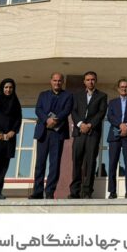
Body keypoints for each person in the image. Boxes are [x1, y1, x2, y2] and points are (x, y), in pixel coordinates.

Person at [29, 72, 73, 200]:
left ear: (62, 82)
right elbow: (38, 109)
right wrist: (47, 119)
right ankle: (37, 192)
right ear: (51, 81)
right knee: (40, 163)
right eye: (55, 80)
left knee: (54, 164)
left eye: (59, 81)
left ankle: (49, 192)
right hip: (43, 132)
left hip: (57, 133)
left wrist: (55, 120)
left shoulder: (68, 95)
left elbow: (67, 110)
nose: (57, 83)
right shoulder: (43, 95)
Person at [68, 71, 108, 199]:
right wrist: (81, 124)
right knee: (77, 162)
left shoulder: (102, 96)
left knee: (90, 162)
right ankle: (75, 191)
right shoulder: (77, 95)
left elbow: (101, 112)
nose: (90, 82)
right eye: (88, 79)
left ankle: (87, 191)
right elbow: (73, 111)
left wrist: (90, 125)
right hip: (79, 133)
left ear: (96, 81)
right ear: (84, 81)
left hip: (93, 133)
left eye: (92, 79)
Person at [106, 78, 127, 199]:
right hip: (114, 135)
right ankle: (112, 191)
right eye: (122, 87)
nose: (124, 89)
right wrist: (120, 125)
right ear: (118, 88)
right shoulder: (112, 102)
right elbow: (110, 116)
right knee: (112, 163)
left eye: (126, 87)